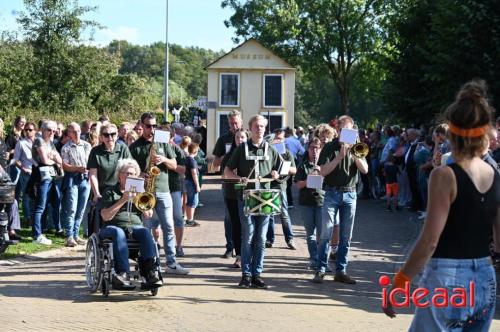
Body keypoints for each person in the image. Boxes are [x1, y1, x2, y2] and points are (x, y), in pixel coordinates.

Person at [384, 80, 500, 331]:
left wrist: (400, 281)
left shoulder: (444, 175)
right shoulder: (494, 174)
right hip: (485, 277)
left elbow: (429, 241)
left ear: (451, 133)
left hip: (448, 277)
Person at [129, 112, 189, 275]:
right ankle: (150, 262)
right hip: (144, 192)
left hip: (163, 190)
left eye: (154, 126)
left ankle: (171, 262)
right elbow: (128, 172)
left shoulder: (162, 139)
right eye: (149, 126)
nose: (152, 129)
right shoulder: (134, 147)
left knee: (169, 226)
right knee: (147, 229)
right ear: (141, 125)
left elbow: (175, 164)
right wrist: (140, 174)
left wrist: (164, 160)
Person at [224, 115, 280, 289]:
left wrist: (277, 174)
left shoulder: (270, 149)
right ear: (250, 128)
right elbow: (226, 171)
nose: (260, 129)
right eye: (257, 126)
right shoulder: (242, 149)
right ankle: (246, 274)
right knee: (248, 236)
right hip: (246, 198)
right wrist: (237, 177)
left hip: (265, 199)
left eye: (263, 126)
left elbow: (282, 167)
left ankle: (257, 274)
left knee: (261, 238)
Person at [313, 115, 369, 284]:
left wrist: (354, 154)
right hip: (331, 193)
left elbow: (365, 170)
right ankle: (321, 270)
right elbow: (322, 171)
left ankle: (341, 271)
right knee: (326, 233)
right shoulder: (329, 147)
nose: (347, 133)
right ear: (337, 130)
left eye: (350, 130)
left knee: (346, 235)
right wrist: (339, 157)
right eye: (343, 130)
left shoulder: (359, 147)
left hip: (350, 194)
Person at [100, 158, 162, 289]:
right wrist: (123, 199)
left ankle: (150, 272)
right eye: (127, 174)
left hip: (135, 227)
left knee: (145, 231)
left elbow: (148, 215)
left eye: (133, 174)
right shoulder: (109, 191)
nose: (130, 176)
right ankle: (123, 273)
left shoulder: (140, 194)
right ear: (119, 176)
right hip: (113, 228)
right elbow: (105, 216)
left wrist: (140, 198)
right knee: (119, 232)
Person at [87, 123, 132, 223]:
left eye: (113, 134)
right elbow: (93, 174)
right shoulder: (95, 151)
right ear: (101, 137)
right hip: (103, 193)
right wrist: (96, 193)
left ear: (117, 135)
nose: (110, 137)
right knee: (103, 221)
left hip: (121, 190)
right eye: (106, 135)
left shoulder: (123, 149)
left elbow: (131, 170)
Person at [213, 110, 242, 258]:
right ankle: (230, 247)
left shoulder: (246, 137)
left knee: (243, 217)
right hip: (228, 184)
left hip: (244, 185)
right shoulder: (224, 139)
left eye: (236, 122)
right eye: (231, 123)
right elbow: (216, 163)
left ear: (241, 121)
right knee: (229, 217)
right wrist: (229, 156)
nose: (234, 125)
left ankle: (242, 251)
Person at [31, 120, 64, 245]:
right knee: (40, 206)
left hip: (51, 177)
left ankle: (48, 229)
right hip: (41, 177)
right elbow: (45, 160)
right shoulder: (39, 141)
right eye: (49, 130)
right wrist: (53, 159)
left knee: (55, 202)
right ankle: (37, 235)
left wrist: (54, 158)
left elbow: (60, 159)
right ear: (42, 130)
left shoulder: (50, 143)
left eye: (54, 131)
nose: (52, 133)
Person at [295, 137, 324, 270]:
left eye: (317, 148)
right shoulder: (303, 165)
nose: (314, 151)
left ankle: (323, 261)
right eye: (312, 148)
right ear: (308, 149)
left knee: (323, 234)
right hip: (306, 203)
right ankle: (313, 259)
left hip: (322, 202)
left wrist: (320, 171)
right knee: (310, 234)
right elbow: (297, 184)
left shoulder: (325, 164)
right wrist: (309, 180)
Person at [61, 123, 92, 247]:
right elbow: (65, 166)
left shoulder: (87, 145)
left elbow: (91, 161)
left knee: (81, 209)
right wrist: (77, 168)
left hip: (85, 179)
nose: (77, 133)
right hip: (73, 178)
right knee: (72, 208)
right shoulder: (66, 148)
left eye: (78, 131)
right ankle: (69, 235)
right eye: (73, 131)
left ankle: (75, 234)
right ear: (69, 133)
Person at [221, 129, 248, 268]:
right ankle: (239, 256)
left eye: (243, 137)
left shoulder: (250, 154)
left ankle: (248, 254)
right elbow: (223, 174)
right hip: (231, 194)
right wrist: (234, 175)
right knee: (236, 224)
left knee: (248, 225)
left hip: (248, 194)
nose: (240, 140)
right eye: (237, 138)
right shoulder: (229, 155)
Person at [266, 128, 297, 249]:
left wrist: (283, 165)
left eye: (281, 139)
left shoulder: (287, 153)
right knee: (269, 214)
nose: (279, 141)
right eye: (277, 139)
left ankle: (290, 239)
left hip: (280, 186)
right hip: (268, 186)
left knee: (284, 214)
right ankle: (270, 239)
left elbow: (294, 170)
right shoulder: (267, 152)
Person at [13, 121, 36, 227]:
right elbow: (15, 159)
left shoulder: (38, 142)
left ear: (35, 131)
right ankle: (28, 218)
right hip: (26, 173)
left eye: (30, 129)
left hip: (38, 173)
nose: (27, 131)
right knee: (27, 197)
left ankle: (35, 218)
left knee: (36, 197)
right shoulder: (21, 143)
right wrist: (23, 168)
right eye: (25, 129)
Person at [184, 143, 201, 227]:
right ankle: (190, 220)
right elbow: (194, 173)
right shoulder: (192, 160)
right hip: (191, 182)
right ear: (196, 151)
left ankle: (189, 219)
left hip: (187, 181)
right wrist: (197, 185)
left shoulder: (187, 159)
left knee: (190, 201)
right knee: (194, 202)